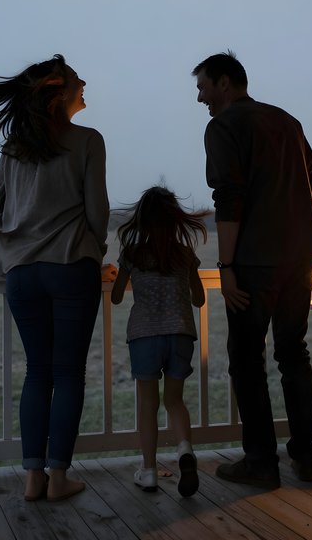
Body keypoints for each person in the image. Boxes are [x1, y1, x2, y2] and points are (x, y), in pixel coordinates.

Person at [0, 55, 117, 502]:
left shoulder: (13, 148)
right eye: (79, 80)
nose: (86, 84)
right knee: (68, 375)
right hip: (70, 270)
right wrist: (93, 252)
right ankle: (59, 477)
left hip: (22, 276)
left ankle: (31, 477)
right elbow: (97, 214)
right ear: (58, 92)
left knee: (37, 374)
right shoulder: (88, 140)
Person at [192, 51, 312, 489]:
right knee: (294, 353)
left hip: (253, 262)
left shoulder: (224, 126)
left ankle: (261, 463)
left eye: (203, 87)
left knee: (247, 360)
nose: (200, 98)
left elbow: (228, 199)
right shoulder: (286, 120)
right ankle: (306, 457)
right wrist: (304, 234)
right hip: (300, 259)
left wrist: (226, 266)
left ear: (226, 83)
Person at [111, 186, 208, 498]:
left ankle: (149, 470)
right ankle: (184, 451)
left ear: (141, 220)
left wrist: (116, 275)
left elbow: (115, 298)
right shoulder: (184, 255)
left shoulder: (132, 254)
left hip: (144, 337)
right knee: (175, 401)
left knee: (149, 405)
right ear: (175, 220)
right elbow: (199, 299)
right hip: (181, 335)